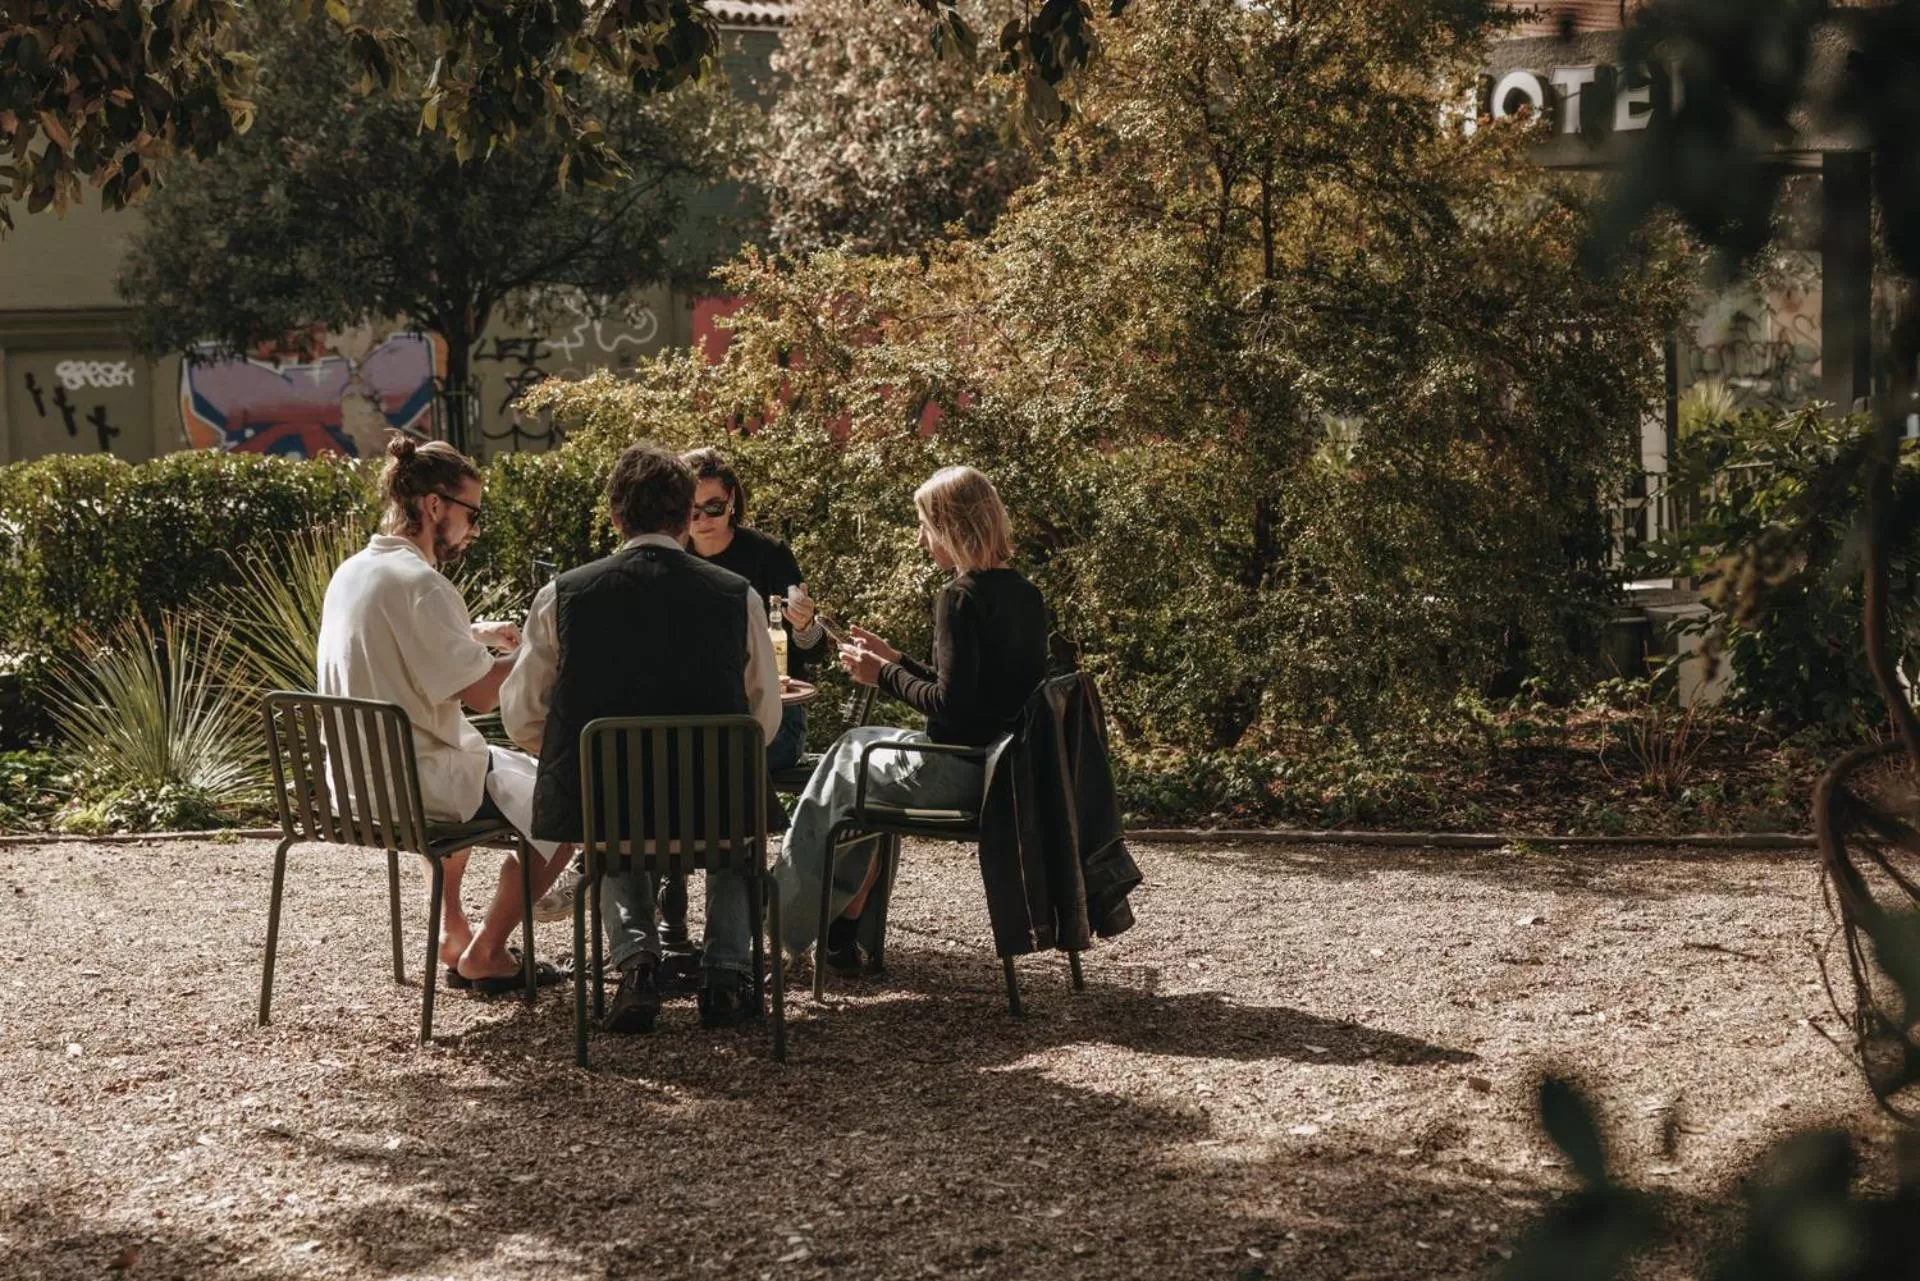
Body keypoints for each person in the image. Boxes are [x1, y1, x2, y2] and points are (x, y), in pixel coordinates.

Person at [501, 444, 783, 1033]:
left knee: (612, 805)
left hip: (615, 814)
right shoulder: (738, 596)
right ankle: (728, 974)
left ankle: (636, 966)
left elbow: (522, 713)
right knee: (740, 800)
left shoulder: (564, 596)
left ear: (613, 517)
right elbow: (762, 717)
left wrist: (584, 758)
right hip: (717, 812)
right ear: (685, 519)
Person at [315, 435, 575, 994]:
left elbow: (393, 644)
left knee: (489, 766)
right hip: (416, 783)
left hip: (356, 780)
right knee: (565, 805)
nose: (473, 529)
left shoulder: (354, 573)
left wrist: (474, 634)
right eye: (470, 513)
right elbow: (483, 696)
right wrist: (542, 647)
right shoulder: (423, 586)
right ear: (435, 506)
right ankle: (487, 950)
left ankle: (452, 931)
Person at [774, 465, 1047, 972]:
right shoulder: (1025, 595)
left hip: (957, 771)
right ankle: (840, 934)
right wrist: (897, 660)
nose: (922, 539)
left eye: (925, 524)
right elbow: (973, 693)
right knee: (852, 776)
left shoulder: (959, 597)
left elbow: (948, 708)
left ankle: (774, 933)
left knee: (843, 763)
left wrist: (881, 675)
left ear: (952, 526)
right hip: (1004, 770)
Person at [660, 446, 826, 950]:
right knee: (673, 759)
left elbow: (812, 653)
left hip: (768, 720)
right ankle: (696, 921)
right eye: (692, 510)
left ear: (732, 502)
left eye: (714, 507)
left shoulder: (767, 556)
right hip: (690, 721)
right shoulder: (667, 559)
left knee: (694, 767)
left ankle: (708, 926)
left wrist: (804, 627)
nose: (703, 520)